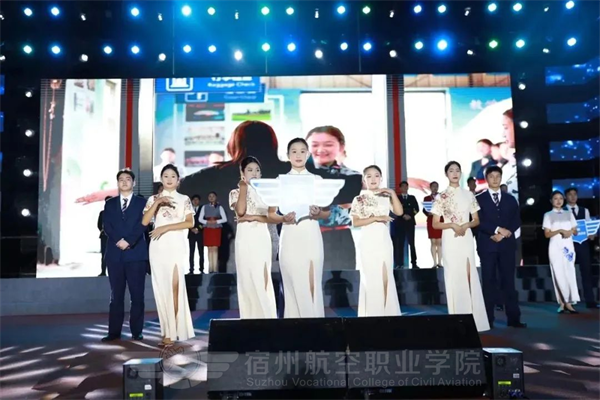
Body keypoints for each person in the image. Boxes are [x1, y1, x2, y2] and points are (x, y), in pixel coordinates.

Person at [268, 138, 330, 318]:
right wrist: (283, 218)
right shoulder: (280, 181)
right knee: (292, 282)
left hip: (311, 234)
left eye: (302, 151)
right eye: (294, 151)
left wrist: (317, 213)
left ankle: (314, 324)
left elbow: (326, 213)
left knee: (311, 282)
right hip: (290, 235)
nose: (298, 155)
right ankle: (294, 326)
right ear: (287, 155)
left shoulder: (316, 180)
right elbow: (271, 214)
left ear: (308, 154)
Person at [432, 161, 489, 332]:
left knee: (469, 274)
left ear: (461, 173)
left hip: (466, 237)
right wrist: (452, 225)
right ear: (446, 174)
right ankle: (457, 320)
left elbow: (476, 220)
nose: (455, 173)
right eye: (451, 171)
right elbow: (435, 224)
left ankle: (476, 321)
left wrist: (465, 225)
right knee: (454, 276)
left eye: (457, 170)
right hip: (450, 238)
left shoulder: (469, 195)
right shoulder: (441, 197)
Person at [142, 164, 196, 346]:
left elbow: (190, 223)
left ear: (178, 180)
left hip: (176, 246)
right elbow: (145, 221)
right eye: (166, 176)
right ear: (161, 179)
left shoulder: (184, 199)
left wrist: (165, 227)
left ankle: (174, 331)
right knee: (161, 289)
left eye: (173, 176)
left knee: (175, 287)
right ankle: (167, 331)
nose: (169, 179)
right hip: (158, 248)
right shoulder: (152, 199)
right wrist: (157, 202)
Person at [101, 170, 149, 342]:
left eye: (128, 179)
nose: (124, 182)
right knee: (116, 296)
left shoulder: (143, 203)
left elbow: (143, 225)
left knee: (137, 296)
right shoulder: (110, 203)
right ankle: (114, 332)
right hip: (115, 255)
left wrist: (129, 241)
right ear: (117, 183)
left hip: (136, 255)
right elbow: (107, 226)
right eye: (121, 179)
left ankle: (137, 331)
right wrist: (119, 241)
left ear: (133, 183)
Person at [306, 126, 362, 270]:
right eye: (314, 145)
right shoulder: (298, 176)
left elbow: (346, 203)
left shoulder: (353, 176)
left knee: (343, 278)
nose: (320, 150)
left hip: (340, 237)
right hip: (306, 235)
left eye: (328, 145)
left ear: (341, 147)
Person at [477, 166, 526, 328]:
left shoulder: (510, 199)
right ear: (487, 179)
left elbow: (516, 220)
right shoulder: (479, 199)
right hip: (487, 246)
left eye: (498, 176)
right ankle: (487, 320)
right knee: (488, 283)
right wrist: (496, 230)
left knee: (509, 282)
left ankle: (514, 319)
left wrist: (505, 233)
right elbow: (478, 221)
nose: (495, 179)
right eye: (492, 176)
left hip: (507, 246)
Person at [351, 165, 403, 316]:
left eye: (376, 175)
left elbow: (399, 212)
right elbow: (355, 222)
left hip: (384, 242)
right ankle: (372, 315)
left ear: (381, 178)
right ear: (364, 180)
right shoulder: (359, 199)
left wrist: (392, 193)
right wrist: (375, 218)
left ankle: (388, 315)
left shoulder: (386, 197)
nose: (373, 179)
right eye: (369, 176)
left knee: (386, 278)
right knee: (371, 281)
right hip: (367, 243)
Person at [229, 156, 277, 319]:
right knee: (246, 279)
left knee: (262, 278)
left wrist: (254, 217)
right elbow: (241, 212)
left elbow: (272, 218)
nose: (254, 173)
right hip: (244, 239)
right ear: (242, 173)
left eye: (257, 170)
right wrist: (243, 187)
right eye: (249, 170)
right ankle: (249, 321)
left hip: (261, 238)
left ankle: (268, 320)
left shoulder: (267, 195)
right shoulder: (235, 193)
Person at [543, 191, 580, 314]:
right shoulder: (548, 215)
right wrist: (560, 230)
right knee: (558, 273)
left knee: (569, 272)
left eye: (560, 198)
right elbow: (547, 234)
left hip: (568, 246)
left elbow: (576, 231)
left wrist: (570, 231)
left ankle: (569, 302)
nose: (558, 201)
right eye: (555, 198)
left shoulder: (569, 214)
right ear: (551, 201)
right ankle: (563, 302)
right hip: (555, 246)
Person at [565, 187, 598, 308]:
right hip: (567, 245)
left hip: (583, 244)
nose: (573, 197)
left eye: (575, 194)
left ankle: (590, 300)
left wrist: (592, 234)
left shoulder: (585, 210)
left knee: (586, 272)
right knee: (568, 272)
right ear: (566, 197)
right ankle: (568, 301)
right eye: (570, 194)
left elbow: (589, 227)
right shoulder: (562, 211)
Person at [199, 192, 227, 273]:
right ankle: (210, 268)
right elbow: (200, 219)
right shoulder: (204, 207)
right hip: (208, 228)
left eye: (213, 196)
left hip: (216, 228)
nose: (211, 198)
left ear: (216, 197)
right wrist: (207, 222)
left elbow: (224, 219)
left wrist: (216, 221)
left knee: (215, 248)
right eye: (210, 196)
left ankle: (215, 268)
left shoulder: (219, 207)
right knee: (209, 248)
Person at [394, 181, 419, 269]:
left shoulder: (412, 198)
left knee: (412, 243)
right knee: (400, 244)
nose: (405, 188)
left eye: (406, 186)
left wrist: (410, 215)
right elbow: (395, 209)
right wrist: (403, 215)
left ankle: (414, 263)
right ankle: (399, 264)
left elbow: (416, 209)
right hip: (400, 223)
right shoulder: (397, 198)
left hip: (410, 223)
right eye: (403, 186)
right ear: (400, 188)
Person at [423, 182, 443, 268]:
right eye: (433, 186)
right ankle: (434, 262)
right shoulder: (427, 198)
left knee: (440, 242)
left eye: (436, 186)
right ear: (430, 188)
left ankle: (440, 262)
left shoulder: (442, 197)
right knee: (433, 242)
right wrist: (428, 213)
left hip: (440, 220)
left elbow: (445, 208)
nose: (435, 188)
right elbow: (424, 210)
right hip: (431, 220)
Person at [188, 195, 204, 275]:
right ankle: (191, 269)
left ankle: (201, 269)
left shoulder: (202, 209)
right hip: (191, 233)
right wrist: (191, 228)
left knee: (201, 252)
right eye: (194, 200)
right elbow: (186, 220)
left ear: (199, 201)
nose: (195, 201)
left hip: (200, 233)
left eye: (197, 200)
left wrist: (198, 229)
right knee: (191, 252)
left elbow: (203, 221)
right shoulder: (189, 210)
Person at [97, 196, 112, 276]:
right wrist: (104, 231)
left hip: (114, 237)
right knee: (104, 254)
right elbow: (99, 224)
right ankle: (103, 271)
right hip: (104, 236)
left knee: (114, 254)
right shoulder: (102, 213)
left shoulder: (117, 213)